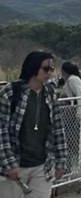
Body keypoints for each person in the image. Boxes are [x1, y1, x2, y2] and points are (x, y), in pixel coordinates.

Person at [0, 52, 68, 198]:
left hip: (42, 166)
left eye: (51, 68)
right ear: (33, 67)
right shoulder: (10, 93)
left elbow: (58, 128)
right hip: (16, 165)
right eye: (46, 69)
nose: (49, 73)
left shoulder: (50, 93)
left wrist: (61, 161)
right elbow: (2, 131)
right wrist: (9, 163)